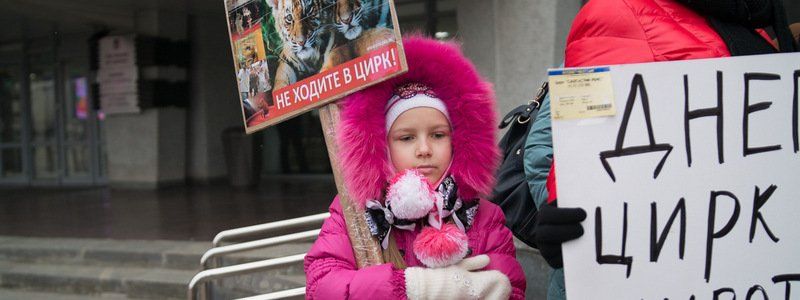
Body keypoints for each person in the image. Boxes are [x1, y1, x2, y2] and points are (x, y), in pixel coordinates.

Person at [524, 0, 797, 299]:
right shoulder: (615, 13)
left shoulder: (758, 23)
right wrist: (566, 214)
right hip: (650, 276)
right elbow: (577, 145)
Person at [304, 36, 526, 299]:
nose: (424, 149)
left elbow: (512, 289)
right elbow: (322, 286)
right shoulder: (353, 211)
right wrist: (413, 287)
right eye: (406, 138)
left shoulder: (484, 217)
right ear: (382, 146)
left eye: (438, 135)